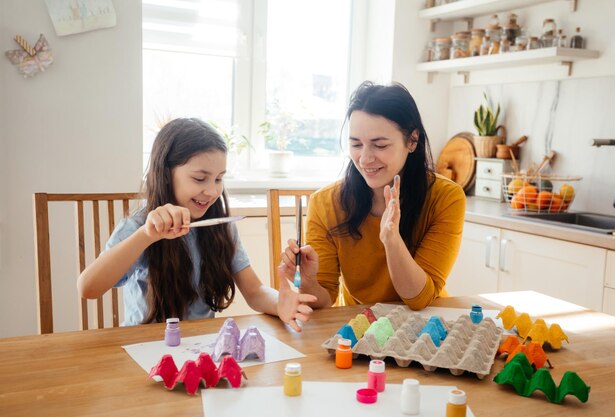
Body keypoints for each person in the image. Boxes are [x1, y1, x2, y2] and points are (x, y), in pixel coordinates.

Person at [78, 118, 316, 331]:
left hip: (200, 348)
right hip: (144, 347)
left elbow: (254, 291)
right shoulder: (139, 226)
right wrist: (146, 236)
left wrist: (280, 303)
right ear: (166, 173)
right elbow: (88, 288)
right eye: (200, 178)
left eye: (219, 179)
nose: (212, 191)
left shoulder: (220, 226)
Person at [280, 81, 465, 310]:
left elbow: (419, 299)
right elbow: (324, 301)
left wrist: (391, 240)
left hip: (426, 326)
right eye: (356, 144)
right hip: (360, 326)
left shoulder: (446, 198)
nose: (365, 159)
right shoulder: (325, 203)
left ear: (412, 140)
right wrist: (308, 282)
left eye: (379, 145)